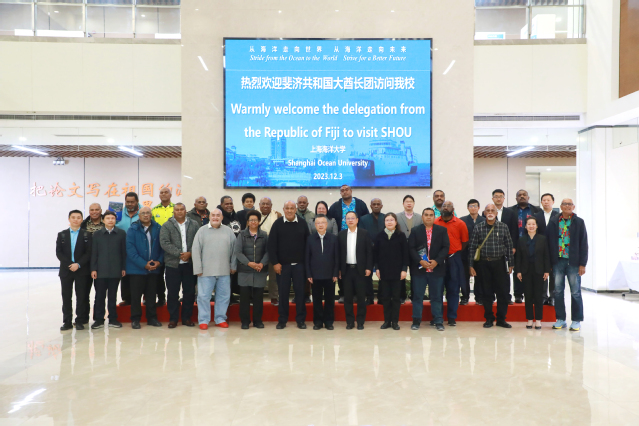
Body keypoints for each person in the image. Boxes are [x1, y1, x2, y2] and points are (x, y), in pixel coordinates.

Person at [469, 204, 515, 329]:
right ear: (484, 213)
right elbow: (472, 247)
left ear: (496, 213)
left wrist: (511, 263)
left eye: (492, 210)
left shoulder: (503, 227)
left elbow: (509, 246)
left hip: (500, 263)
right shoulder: (478, 227)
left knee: (502, 293)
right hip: (483, 264)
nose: (490, 212)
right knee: (486, 293)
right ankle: (489, 318)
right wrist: (471, 266)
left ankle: (501, 319)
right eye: (488, 210)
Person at [546, 198, 588, 331]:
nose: (567, 206)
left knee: (575, 292)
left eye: (570, 204)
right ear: (561, 206)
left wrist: (582, 264)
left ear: (573, 207)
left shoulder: (579, 222)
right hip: (558, 261)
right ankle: (560, 319)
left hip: (574, 262)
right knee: (558, 291)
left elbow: (584, 244)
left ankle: (576, 320)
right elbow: (548, 243)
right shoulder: (553, 221)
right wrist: (549, 262)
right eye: (565, 204)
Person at [268, 201, 311, 329]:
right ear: (283, 209)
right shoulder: (278, 224)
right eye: (287, 208)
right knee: (283, 294)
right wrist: (275, 263)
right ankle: (282, 320)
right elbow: (271, 245)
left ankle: (301, 320)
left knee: (300, 294)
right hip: (282, 266)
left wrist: (306, 264)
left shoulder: (302, 223)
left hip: (299, 266)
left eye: (292, 208)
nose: (290, 210)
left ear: (295, 209)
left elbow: (308, 245)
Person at [192, 209, 237, 330]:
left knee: (223, 296)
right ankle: (203, 320)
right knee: (203, 297)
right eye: (213, 215)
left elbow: (234, 250)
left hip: (224, 270)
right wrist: (198, 268)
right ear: (209, 217)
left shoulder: (228, 231)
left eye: (218, 215)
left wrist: (233, 266)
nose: (215, 217)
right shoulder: (202, 231)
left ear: (222, 218)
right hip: (205, 272)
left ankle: (220, 319)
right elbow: (195, 250)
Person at [160, 202, 200, 328]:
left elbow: (198, 242)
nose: (179, 211)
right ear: (173, 212)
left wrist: (190, 254)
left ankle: (186, 318)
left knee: (189, 292)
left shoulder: (194, 224)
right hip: (173, 265)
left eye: (181, 209)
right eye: (177, 209)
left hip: (190, 264)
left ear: (185, 211)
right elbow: (164, 243)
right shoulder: (167, 225)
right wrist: (180, 254)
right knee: (172, 292)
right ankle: (173, 319)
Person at [408, 208, 450, 330]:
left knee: (437, 296)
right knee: (418, 296)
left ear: (434, 217)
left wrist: (437, 261)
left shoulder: (442, 230)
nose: (428, 217)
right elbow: (411, 248)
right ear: (422, 217)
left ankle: (438, 321)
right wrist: (420, 261)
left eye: (431, 215)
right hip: (419, 270)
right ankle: (416, 321)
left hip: (436, 269)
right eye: (426, 215)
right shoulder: (415, 230)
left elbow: (446, 247)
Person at [328, 184, 370, 303]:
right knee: (343, 266)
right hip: (341, 239)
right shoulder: (335, 206)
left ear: (351, 191)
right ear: (340, 193)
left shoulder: (360, 204)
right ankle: (343, 293)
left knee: (358, 266)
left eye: (347, 189)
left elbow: (366, 219)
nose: (345, 192)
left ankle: (358, 294)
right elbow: (330, 221)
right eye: (342, 190)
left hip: (358, 238)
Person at [126, 206, 164, 329]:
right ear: (139, 216)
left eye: (148, 213)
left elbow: (163, 247)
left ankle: (152, 318)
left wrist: (159, 262)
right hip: (136, 269)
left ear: (151, 215)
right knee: (136, 296)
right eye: (143, 213)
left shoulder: (158, 228)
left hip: (154, 268)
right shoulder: (132, 229)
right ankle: (135, 319)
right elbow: (130, 250)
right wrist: (144, 264)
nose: (146, 215)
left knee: (151, 295)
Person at [56, 210, 93, 331]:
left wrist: (78, 264)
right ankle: (67, 321)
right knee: (66, 297)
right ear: (69, 219)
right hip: (66, 271)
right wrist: (70, 264)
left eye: (78, 217)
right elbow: (59, 253)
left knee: (81, 296)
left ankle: (80, 320)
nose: (76, 220)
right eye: (73, 217)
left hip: (82, 271)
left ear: (82, 219)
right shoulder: (62, 234)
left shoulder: (87, 234)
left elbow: (89, 253)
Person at [434, 201, 468, 326]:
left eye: (448, 206)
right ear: (440, 208)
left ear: (453, 209)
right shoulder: (435, 222)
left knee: (453, 289)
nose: (446, 207)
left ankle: (452, 317)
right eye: (444, 206)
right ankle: (437, 317)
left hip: (454, 259)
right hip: (438, 260)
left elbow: (464, 242)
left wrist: (454, 251)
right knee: (437, 289)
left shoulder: (460, 223)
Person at [91, 210, 127, 329]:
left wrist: (123, 267)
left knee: (112, 296)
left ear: (115, 220)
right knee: (99, 296)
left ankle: (113, 319)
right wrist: (93, 269)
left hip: (115, 270)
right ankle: (98, 319)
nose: (110, 220)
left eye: (112, 218)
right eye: (108, 218)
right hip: (100, 271)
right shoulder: (97, 234)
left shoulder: (121, 233)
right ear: (103, 220)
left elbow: (123, 252)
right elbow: (94, 253)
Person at [234, 210, 269, 329]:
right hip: (245, 271)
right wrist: (249, 263)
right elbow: (238, 252)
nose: (253, 222)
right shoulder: (241, 235)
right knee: (244, 298)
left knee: (258, 298)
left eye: (255, 220)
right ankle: (245, 321)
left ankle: (257, 321)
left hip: (260, 271)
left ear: (259, 221)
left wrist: (262, 264)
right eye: (251, 220)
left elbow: (268, 252)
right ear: (248, 222)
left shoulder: (264, 235)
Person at [338, 211, 373, 330]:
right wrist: (339, 269)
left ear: (357, 220)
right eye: (348, 218)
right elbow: (339, 254)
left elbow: (369, 252)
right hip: (346, 270)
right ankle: (350, 322)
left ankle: (360, 321)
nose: (350, 220)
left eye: (352, 218)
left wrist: (368, 267)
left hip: (360, 270)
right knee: (347, 298)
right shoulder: (341, 234)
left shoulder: (364, 233)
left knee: (361, 297)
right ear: (345, 221)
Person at [373, 213, 409, 330]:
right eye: (387, 220)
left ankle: (395, 322)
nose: (389, 222)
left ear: (395, 222)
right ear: (384, 222)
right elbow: (375, 254)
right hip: (383, 272)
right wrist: (377, 268)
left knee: (396, 298)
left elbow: (405, 254)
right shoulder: (379, 236)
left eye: (391, 220)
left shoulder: (401, 236)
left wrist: (404, 269)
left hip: (398, 273)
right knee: (386, 298)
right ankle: (387, 321)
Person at [515, 217, 551, 329]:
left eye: (533, 224)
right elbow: (518, 257)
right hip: (526, 270)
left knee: (539, 296)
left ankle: (538, 320)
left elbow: (546, 256)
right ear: (525, 226)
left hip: (539, 270)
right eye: (529, 224)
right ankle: (530, 319)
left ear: (537, 226)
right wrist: (518, 271)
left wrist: (547, 270)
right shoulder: (521, 239)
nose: (531, 226)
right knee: (528, 295)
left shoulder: (542, 239)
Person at [305, 214, 339, 330]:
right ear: (315, 225)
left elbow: (337, 257)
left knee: (330, 299)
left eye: (323, 223)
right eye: (318, 223)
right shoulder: (310, 239)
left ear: (327, 224)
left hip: (330, 275)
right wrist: (308, 274)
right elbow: (307, 258)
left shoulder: (333, 238)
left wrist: (335, 273)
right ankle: (318, 322)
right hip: (315, 275)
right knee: (317, 300)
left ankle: (329, 322)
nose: (320, 225)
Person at [509, 189, 542, 303]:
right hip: (517, 245)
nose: (522, 196)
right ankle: (518, 294)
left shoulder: (537, 210)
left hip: (533, 243)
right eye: (519, 195)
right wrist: (512, 246)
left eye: (524, 195)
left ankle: (531, 294)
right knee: (517, 269)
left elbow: (540, 228)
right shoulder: (510, 211)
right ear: (516, 198)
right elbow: (510, 230)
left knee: (531, 269)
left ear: (528, 197)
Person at [487, 189, 518, 305]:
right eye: (496, 196)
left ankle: (506, 296)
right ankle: (491, 296)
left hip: (505, 247)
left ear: (504, 198)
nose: (498, 198)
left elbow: (514, 230)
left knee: (505, 274)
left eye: (501, 196)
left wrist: (513, 246)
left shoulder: (510, 212)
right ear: (492, 198)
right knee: (491, 276)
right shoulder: (487, 211)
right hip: (491, 249)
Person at [78, 202, 104, 326]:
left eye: (96, 209)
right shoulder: (83, 225)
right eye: (92, 210)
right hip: (85, 263)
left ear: (101, 210)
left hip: (101, 263)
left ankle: (98, 318)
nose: (94, 212)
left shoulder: (106, 223)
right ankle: (83, 318)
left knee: (100, 293)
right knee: (83, 292)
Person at [358, 198, 386, 305]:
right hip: (367, 250)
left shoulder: (385, 218)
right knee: (367, 274)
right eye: (374, 204)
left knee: (383, 274)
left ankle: (382, 297)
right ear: (370, 206)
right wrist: (371, 245)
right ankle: (369, 297)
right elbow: (361, 234)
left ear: (381, 206)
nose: (376, 206)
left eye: (378, 204)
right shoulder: (363, 219)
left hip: (382, 251)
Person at [534, 193, 559, 305]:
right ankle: (543, 296)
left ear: (553, 202)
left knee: (553, 273)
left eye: (548, 200)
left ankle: (553, 296)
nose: (546, 202)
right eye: (544, 200)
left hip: (554, 248)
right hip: (540, 248)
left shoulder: (558, 216)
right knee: (541, 273)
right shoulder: (536, 216)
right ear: (541, 202)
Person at [115, 192, 140, 307]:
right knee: (124, 273)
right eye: (127, 202)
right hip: (122, 248)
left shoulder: (143, 211)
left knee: (139, 275)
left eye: (132, 202)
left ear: (137, 202)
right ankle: (126, 298)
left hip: (139, 248)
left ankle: (140, 297)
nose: (130, 204)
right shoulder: (118, 211)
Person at [151, 187, 174, 307]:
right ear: (159, 195)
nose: (164, 194)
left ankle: (173, 297)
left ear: (170, 195)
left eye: (166, 192)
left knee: (171, 275)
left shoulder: (176, 209)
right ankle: (161, 297)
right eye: (161, 193)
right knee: (158, 275)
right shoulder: (154, 210)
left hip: (173, 247)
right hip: (158, 247)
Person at [460, 199, 486, 305]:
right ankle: (465, 296)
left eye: (475, 206)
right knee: (464, 276)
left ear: (479, 208)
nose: (473, 208)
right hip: (465, 252)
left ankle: (479, 297)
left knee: (480, 276)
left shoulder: (484, 220)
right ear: (468, 208)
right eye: (471, 206)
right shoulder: (462, 221)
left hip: (480, 253)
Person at [258, 197, 282, 306]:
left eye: (267, 204)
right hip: (259, 249)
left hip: (273, 249)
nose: (265, 206)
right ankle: (257, 297)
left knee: (274, 276)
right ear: (259, 205)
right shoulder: (254, 215)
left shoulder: (277, 215)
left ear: (271, 205)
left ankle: (274, 297)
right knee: (258, 275)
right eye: (263, 204)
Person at [218, 195, 241, 305]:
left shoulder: (234, 216)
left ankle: (231, 296)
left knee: (232, 275)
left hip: (235, 251)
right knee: (225, 276)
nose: (229, 206)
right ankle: (226, 298)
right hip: (224, 251)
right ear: (221, 204)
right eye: (226, 204)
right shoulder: (219, 217)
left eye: (231, 203)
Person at [397, 195, 419, 304]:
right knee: (401, 272)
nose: (409, 203)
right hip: (401, 249)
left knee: (415, 273)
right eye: (407, 201)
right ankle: (402, 296)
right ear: (403, 204)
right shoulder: (397, 217)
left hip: (415, 249)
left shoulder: (420, 217)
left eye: (411, 201)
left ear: (414, 204)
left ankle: (414, 295)